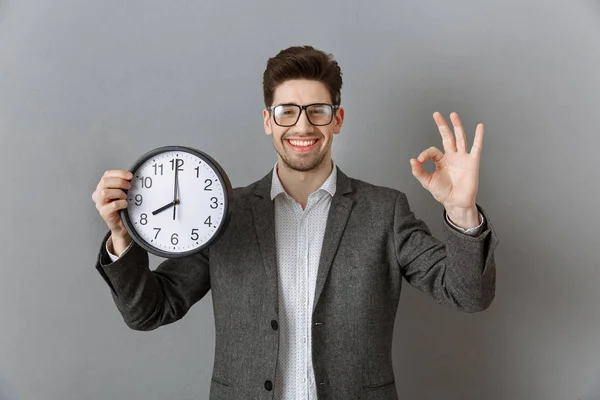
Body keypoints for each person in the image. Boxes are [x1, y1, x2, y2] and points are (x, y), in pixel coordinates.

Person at [91, 45, 498, 400]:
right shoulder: (224, 215)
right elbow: (148, 312)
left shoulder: (384, 212)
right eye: (287, 112)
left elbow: (468, 294)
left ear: (337, 119)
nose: (302, 126)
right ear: (268, 121)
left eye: (317, 111)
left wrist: (462, 210)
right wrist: (122, 236)